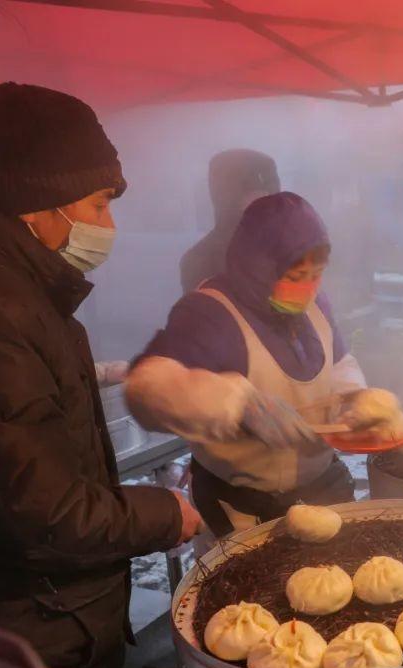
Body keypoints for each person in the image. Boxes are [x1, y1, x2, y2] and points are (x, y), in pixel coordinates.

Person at [0, 83, 199, 668]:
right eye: (98, 205)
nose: (107, 227)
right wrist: (164, 513)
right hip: (32, 624)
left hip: (51, 617)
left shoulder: (24, 294)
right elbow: (46, 510)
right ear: (36, 202)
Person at [127, 192, 366, 537]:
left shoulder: (315, 306)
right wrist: (236, 404)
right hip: (243, 517)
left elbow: (340, 361)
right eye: (296, 275)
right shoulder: (209, 314)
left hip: (322, 498)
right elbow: (148, 387)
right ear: (259, 267)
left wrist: (352, 399)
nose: (308, 288)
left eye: (317, 274)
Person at [179, 149, 280, 294]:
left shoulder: (291, 251)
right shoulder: (201, 261)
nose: (266, 203)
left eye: (270, 195)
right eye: (253, 194)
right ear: (227, 198)